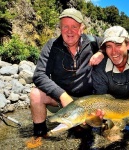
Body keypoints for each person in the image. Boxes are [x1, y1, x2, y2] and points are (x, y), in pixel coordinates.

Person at [25, 8, 104, 148]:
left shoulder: (93, 42)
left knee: (83, 132)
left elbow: (117, 46)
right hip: (61, 99)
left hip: (87, 101)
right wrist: (62, 95)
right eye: (65, 26)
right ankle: (39, 134)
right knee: (35, 94)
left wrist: (102, 52)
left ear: (82, 28)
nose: (69, 31)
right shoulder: (52, 46)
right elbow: (39, 75)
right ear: (60, 28)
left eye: (74, 26)